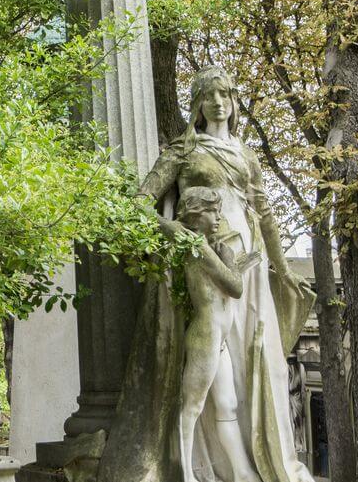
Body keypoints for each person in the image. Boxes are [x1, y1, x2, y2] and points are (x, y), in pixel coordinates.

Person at [100, 66, 316, 482]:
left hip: (246, 263)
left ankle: (260, 460)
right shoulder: (184, 150)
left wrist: (283, 268)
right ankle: (213, 466)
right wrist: (175, 230)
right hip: (207, 261)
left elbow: (266, 215)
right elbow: (139, 203)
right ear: (197, 104)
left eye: (225, 95)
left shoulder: (247, 155)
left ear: (234, 103)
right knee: (219, 370)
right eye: (208, 95)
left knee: (254, 364)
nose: (218, 103)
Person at [175, 186, 261, 482]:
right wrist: (234, 262)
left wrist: (230, 258)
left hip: (220, 338)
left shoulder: (211, 246)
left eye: (218, 209)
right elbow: (234, 287)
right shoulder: (195, 244)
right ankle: (187, 474)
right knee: (192, 407)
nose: (218, 216)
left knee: (227, 405)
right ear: (195, 213)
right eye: (211, 210)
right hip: (206, 334)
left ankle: (240, 472)